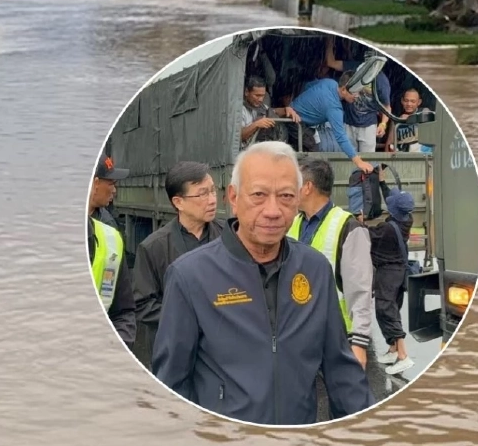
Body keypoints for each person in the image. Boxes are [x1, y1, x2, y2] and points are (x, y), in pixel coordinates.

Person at [152, 142, 373, 425]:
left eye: (286, 196)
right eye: (259, 195)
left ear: (299, 198)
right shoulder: (190, 276)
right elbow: (171, 385)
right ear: (233, 197)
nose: (273, 210)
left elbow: (342, 371)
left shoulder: (315, 269)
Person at [287, 157, 374, 364]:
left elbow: (360, 289)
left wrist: (359, 342)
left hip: (336, 337)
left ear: (307, 187)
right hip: (298, 334)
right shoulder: (293, 223)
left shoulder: (348, 227)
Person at [132, 161, 227, 346]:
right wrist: (188, 317)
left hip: (222, 345)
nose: (212, 200)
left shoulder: (229, 237)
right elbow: (142, 305)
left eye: (213, 191)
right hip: (176, 345)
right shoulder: (154, 247)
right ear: (178, 202)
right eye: (202, 194)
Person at [290, 63, 375, 175]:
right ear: (343, 89)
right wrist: (359, 162)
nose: (357, 96)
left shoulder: (330, 82)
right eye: (355, 92)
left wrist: (299, 104)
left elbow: (308, 86)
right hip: (295, 123)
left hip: (293, 115)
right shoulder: (334, 108)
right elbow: (341, 136)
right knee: (313, 160)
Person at [369, 185, 417, 376]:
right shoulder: (407, 218)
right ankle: (393, 349)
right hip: (399, 272)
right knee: (393, 309)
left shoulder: (387, 229)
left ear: (393, 210)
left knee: (386, 310)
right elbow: (394, 200)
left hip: (388, 274)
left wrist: (358, 223)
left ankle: (403, 356)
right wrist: (382, 183)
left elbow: (367, 235)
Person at [89, 154, 136, 346]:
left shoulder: (108, 229)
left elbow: (123, 308)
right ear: (95, 183)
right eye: (111, 183)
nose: (114, 190)